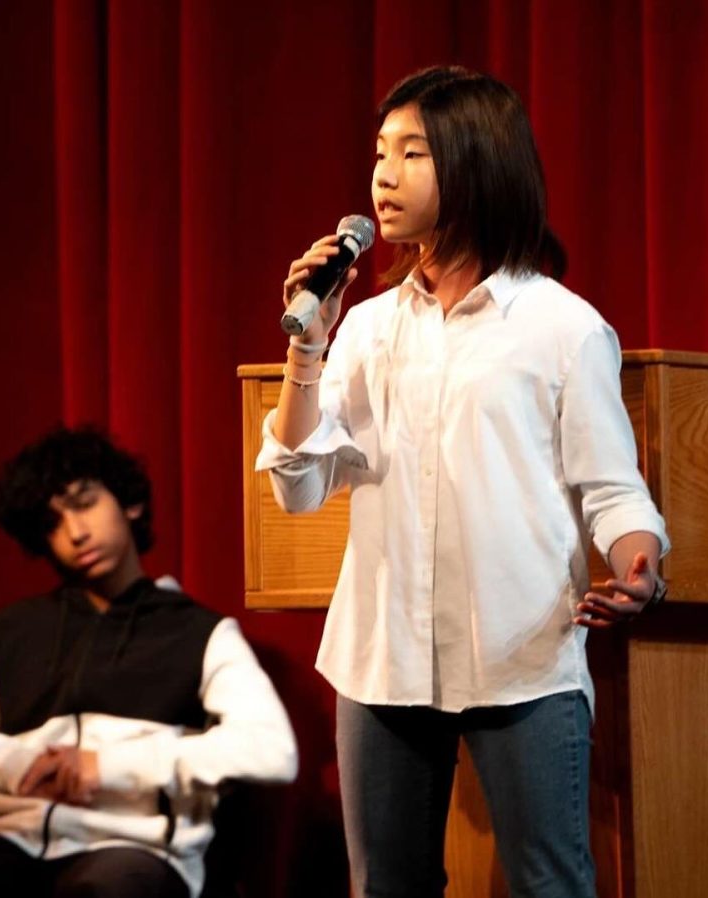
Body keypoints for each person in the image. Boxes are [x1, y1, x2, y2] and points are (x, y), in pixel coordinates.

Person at [256, 66, 670, 898]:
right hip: (381, 659)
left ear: (478, 165)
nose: (384, 174)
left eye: (414, 153)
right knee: (386, 886)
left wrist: (639, 562)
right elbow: (297, 487)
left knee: (549, 881)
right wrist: (310, 345)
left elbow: (612, 487)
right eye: (380, 152)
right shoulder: (366, 328)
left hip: (520, 654)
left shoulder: (563, 327)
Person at [0, 426, 297, 898]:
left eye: (85, 504)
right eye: (52, 522)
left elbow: (273, 752)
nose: (75, 533)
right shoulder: (6, 631)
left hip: (133, 850)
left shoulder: (199, 632)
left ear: (130, 503)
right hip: (6, 840)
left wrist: (107, 766)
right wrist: (10, 761)